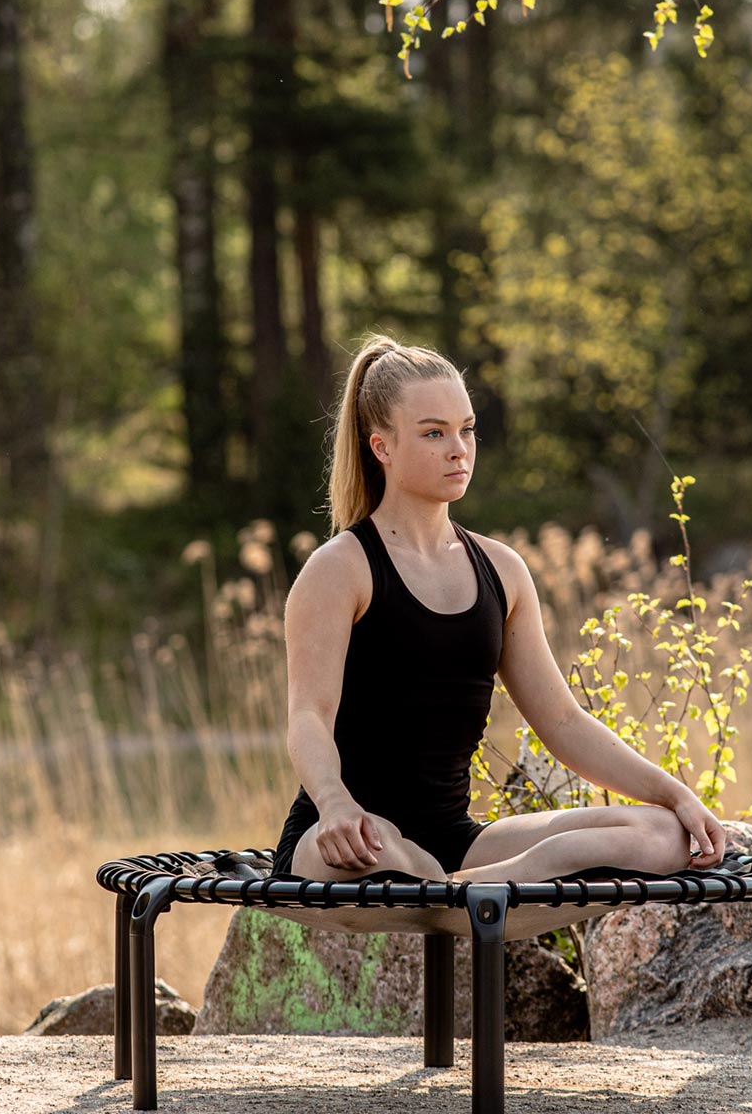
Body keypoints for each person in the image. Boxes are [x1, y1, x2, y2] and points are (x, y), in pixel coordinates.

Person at [269, 332, 727, 884]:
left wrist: (675, 794)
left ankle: (460, 891)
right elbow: (307, 717)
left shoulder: (502, 570)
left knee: (662, 835)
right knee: (384, 852)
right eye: (433, 433)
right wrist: (335, 804)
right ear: (381, 446)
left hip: (455, 843)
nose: (458, 448)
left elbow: (561, 721)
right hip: (348, 838)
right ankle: (482, 889)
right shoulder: (340, 568)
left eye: (466, 430)